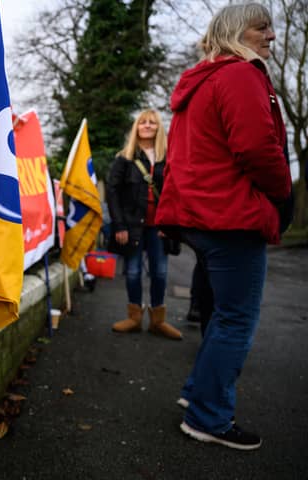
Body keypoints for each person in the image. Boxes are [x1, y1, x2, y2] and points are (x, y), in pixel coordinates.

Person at [156, 3, 292, 450]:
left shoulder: (202, 82)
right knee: (235, 320)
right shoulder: (239, 75)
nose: (271, 35)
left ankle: (198, 395)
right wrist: (281, 194)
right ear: (236, 31)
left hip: (203, 214)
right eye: (262, 27)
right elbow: (257, 146)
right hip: (231, 215)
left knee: (220, 316)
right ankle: (208, 418)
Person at [106, 109, 182, 340]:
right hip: (130, 227)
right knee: (133, 272)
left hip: (159, 227)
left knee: (160, 272)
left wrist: (169, 224)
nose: (147, 126)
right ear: (136, 127)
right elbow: (112, 192)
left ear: (159, 128)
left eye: (152, 122)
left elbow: (175, 192)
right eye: (143, 122)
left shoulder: (169, 158)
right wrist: (119, 226)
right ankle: (134, 318)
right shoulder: (124, 159)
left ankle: (158, 321)